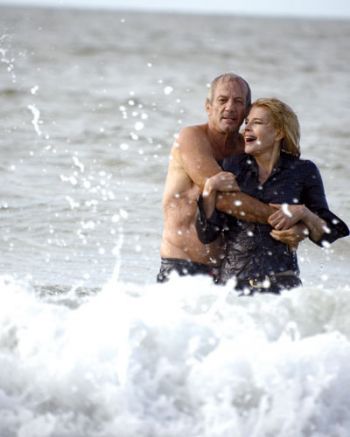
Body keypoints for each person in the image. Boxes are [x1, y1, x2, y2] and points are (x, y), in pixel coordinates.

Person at [158, 74, 305, 282]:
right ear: (208, 106)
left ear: (246, 110)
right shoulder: (191, 138)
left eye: (238, 101)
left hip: (229, 274)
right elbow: (225, 200)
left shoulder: (247, 149)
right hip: (182, 268)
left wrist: (303, 224)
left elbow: (274, 191)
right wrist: (284, 221)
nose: (230, 107)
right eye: (222, 100)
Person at [196, 97, 349, 294]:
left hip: (282, 286)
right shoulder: (232, 166)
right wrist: (208, 190)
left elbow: (329, 235)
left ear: (279, 132)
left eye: (257, 123)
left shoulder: (303, 171)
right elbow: (207, 234)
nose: (247, 129)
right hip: (232, 287)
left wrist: (304, 213)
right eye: (246, 123)